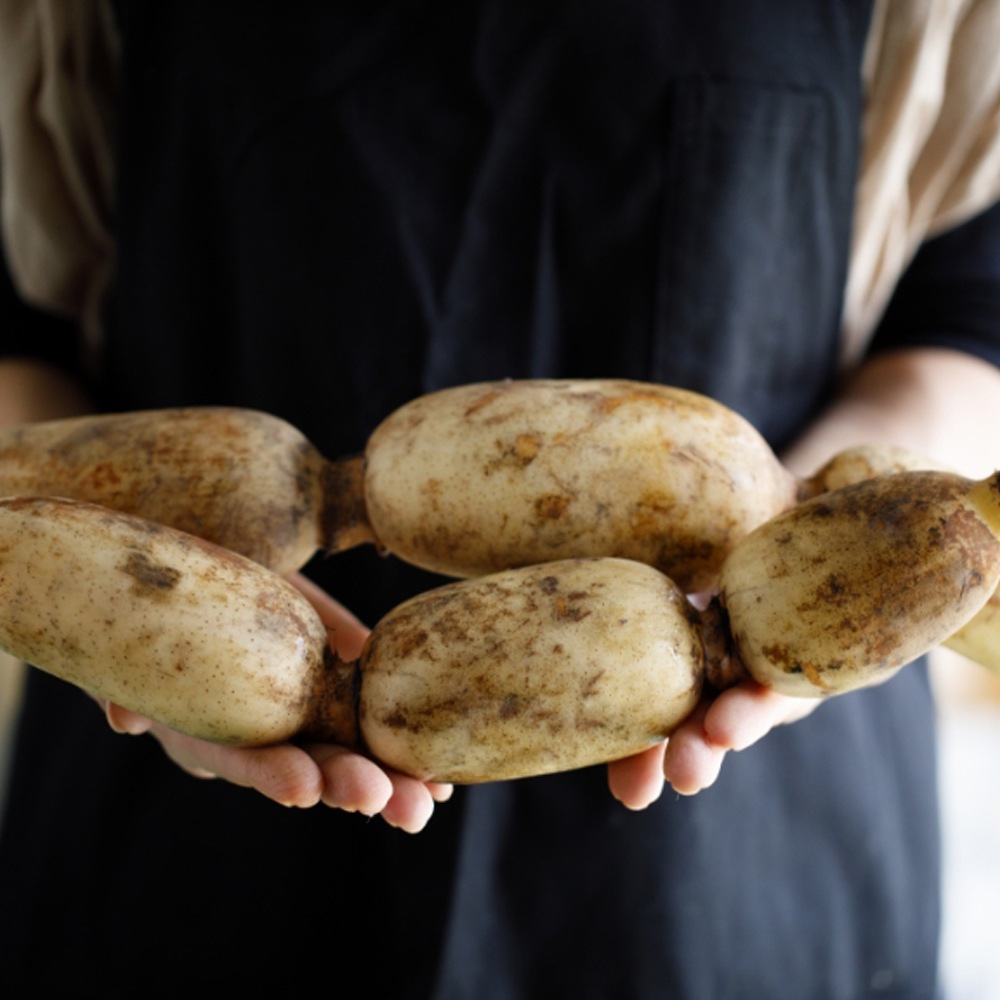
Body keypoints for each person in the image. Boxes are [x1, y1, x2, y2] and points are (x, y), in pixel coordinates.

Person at [1, 1, 999, 996]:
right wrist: (102, 609)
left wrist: (808, 549)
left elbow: (970, 306)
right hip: (187, 814)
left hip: (745, 846)